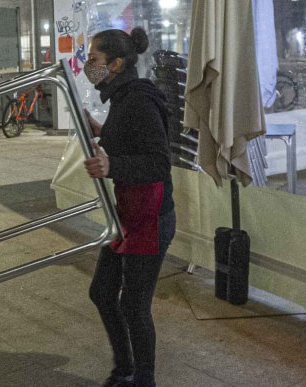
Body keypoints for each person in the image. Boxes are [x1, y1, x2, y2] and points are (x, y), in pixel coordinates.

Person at [82, 27, 174, 387]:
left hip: (150, 219)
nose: (89, 66)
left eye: (94, 60)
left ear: (116, 63)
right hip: (129, 214)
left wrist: (111, 166)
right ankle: (125, 369)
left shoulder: (139, 99)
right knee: (103, 292)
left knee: (134, 306)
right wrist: (99, 130)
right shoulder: (122, 98)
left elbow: (158, 162)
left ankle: (142, 379)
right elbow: (128, 137)